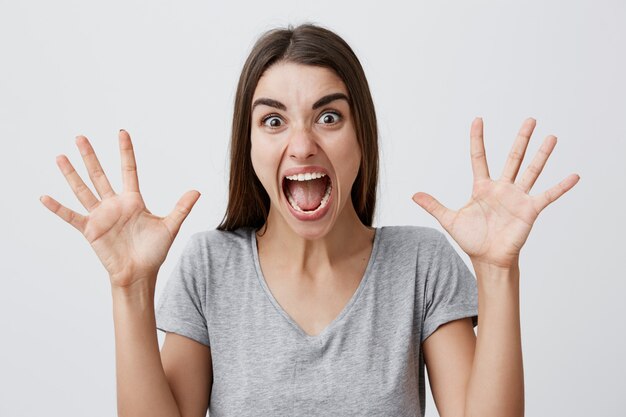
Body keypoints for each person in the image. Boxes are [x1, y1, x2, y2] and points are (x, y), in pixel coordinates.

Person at [40, 23, 579, 417]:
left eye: (328, 116)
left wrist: (497, 271)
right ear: (247, 145)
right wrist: (130, 289)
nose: (302, 145)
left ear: (361, 137)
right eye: (273, 120)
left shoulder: (421, 263)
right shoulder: (210, 268)